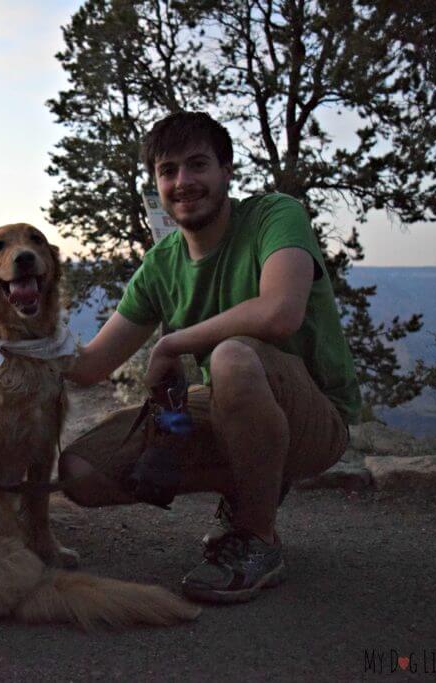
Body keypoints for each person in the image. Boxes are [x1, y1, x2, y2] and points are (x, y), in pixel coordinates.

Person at [60, 111, 361, 604]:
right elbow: (90, 366)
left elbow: (280, 312)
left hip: (315, 418)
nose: (182, 182)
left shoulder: (273, 215)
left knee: (231, 359)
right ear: (155, 182)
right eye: (167, 170)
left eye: (197, 165)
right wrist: (17, 335)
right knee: (81, 472)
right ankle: (252, 485)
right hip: (233, 406)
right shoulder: (161, 266)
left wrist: (173, 343)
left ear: (227, 170)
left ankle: (257, 538)